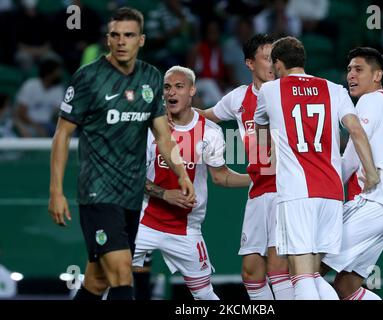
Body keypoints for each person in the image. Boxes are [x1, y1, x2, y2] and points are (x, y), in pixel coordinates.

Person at [48, 7, 195, 300]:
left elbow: (163, 136)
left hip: (131, 196)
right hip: (97, 193)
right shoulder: (88, 78)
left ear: (141, 40)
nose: (121, 41)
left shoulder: (151, 78)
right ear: (107, 39)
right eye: (115, 35)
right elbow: (62, 135)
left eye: (128, 35)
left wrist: (181, 172)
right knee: (122, 272)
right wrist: (56, 191)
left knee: (97, 280)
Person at [254, 36, 380, 300]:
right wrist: (370, 171)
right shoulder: (334, 89)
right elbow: (355, 130)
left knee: (300, 278)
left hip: (297, 192)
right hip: (332, 195)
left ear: (278, 64)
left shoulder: (270, 90)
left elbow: (260, 131)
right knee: (312, 276)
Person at [133, 66, 251, 300]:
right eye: (167, 87)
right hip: (142, 221)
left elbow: (221, 176)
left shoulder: (211, 133)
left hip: (186, 229)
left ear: (192, 91)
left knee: (204, 294)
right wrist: (164, 194)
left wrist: (255, 179)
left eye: (179, 86)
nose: (171, 92)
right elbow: (131, 175)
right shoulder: (148, 126)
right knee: (104, 278)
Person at [197, 34, 294, 300]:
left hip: (285, 190)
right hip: (257, 192)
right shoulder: (238, 98)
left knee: (278, 268)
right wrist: (176, 113)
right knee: (251, 273)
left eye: (276, 59)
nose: (273, 65)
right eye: (266, 59)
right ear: (250, 63)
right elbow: (207, 116)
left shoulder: (288, 93)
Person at [321, 47, 383, 300]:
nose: (351, 76)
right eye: (348, 70)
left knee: (307, 269)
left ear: (377, 75)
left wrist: (320, 186)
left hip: (371, 202)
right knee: (346, 289)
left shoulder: (371, 100)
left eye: (359, 69)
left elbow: (352, 155)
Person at [14, 56, 64, 137]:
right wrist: (37, 127)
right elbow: (21, 113)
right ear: (48, 74)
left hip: (48, 124)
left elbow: (58, 113)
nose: (60, 74)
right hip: (29, 123)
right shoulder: (30, 85)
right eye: (57, 72)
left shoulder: (58, 89)